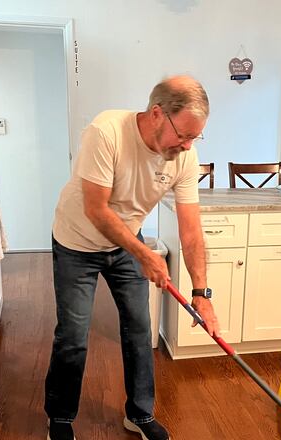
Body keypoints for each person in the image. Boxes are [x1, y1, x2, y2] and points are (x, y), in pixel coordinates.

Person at [46, 75, 219, 440]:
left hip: (126, 243)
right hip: (77, 243)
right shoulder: (106, 132)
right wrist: (144, 253)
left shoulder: (184, 157)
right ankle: (60, 418)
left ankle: (139, 415)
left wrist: (202, 295)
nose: (188, 146)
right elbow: (96, 209)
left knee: (140, 330)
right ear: (157, 113)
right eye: (183, 135)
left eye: (195, 137)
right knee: (73, 335)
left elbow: (190, 230)